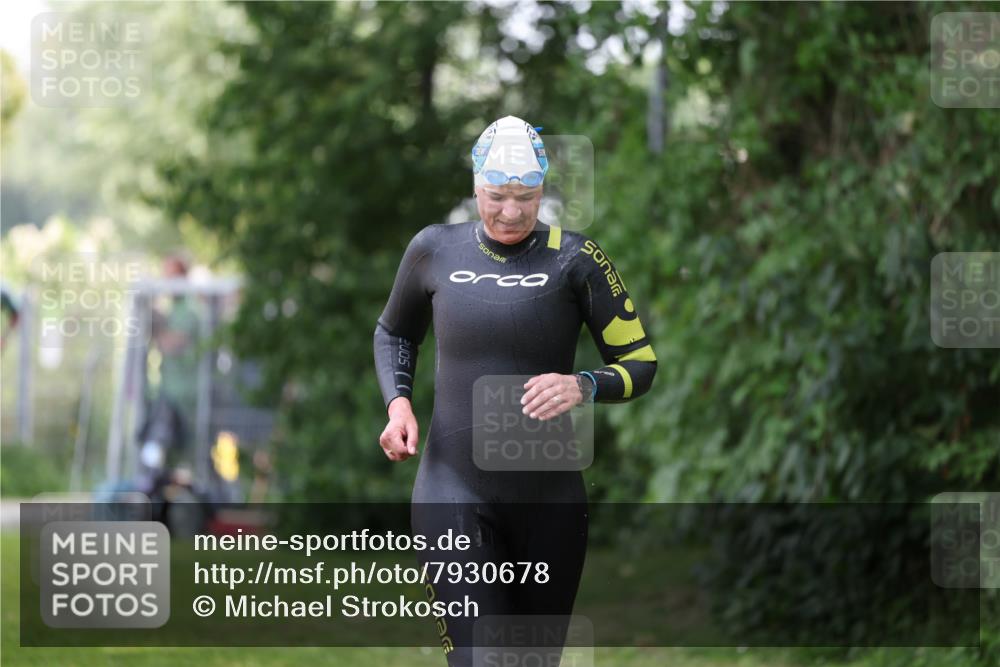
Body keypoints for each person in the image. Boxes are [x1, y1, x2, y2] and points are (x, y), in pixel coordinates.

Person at [373, 116, 657, 666]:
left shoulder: (577, 258)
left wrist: (584, 385)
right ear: (475, 186)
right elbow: (394, 332)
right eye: (496, 197)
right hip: (452, 490)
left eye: (525, 198)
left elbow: (640, 363)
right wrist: (398, 403)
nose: (510, 212)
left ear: (542, 190)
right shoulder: (435, 249)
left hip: (549, 502)